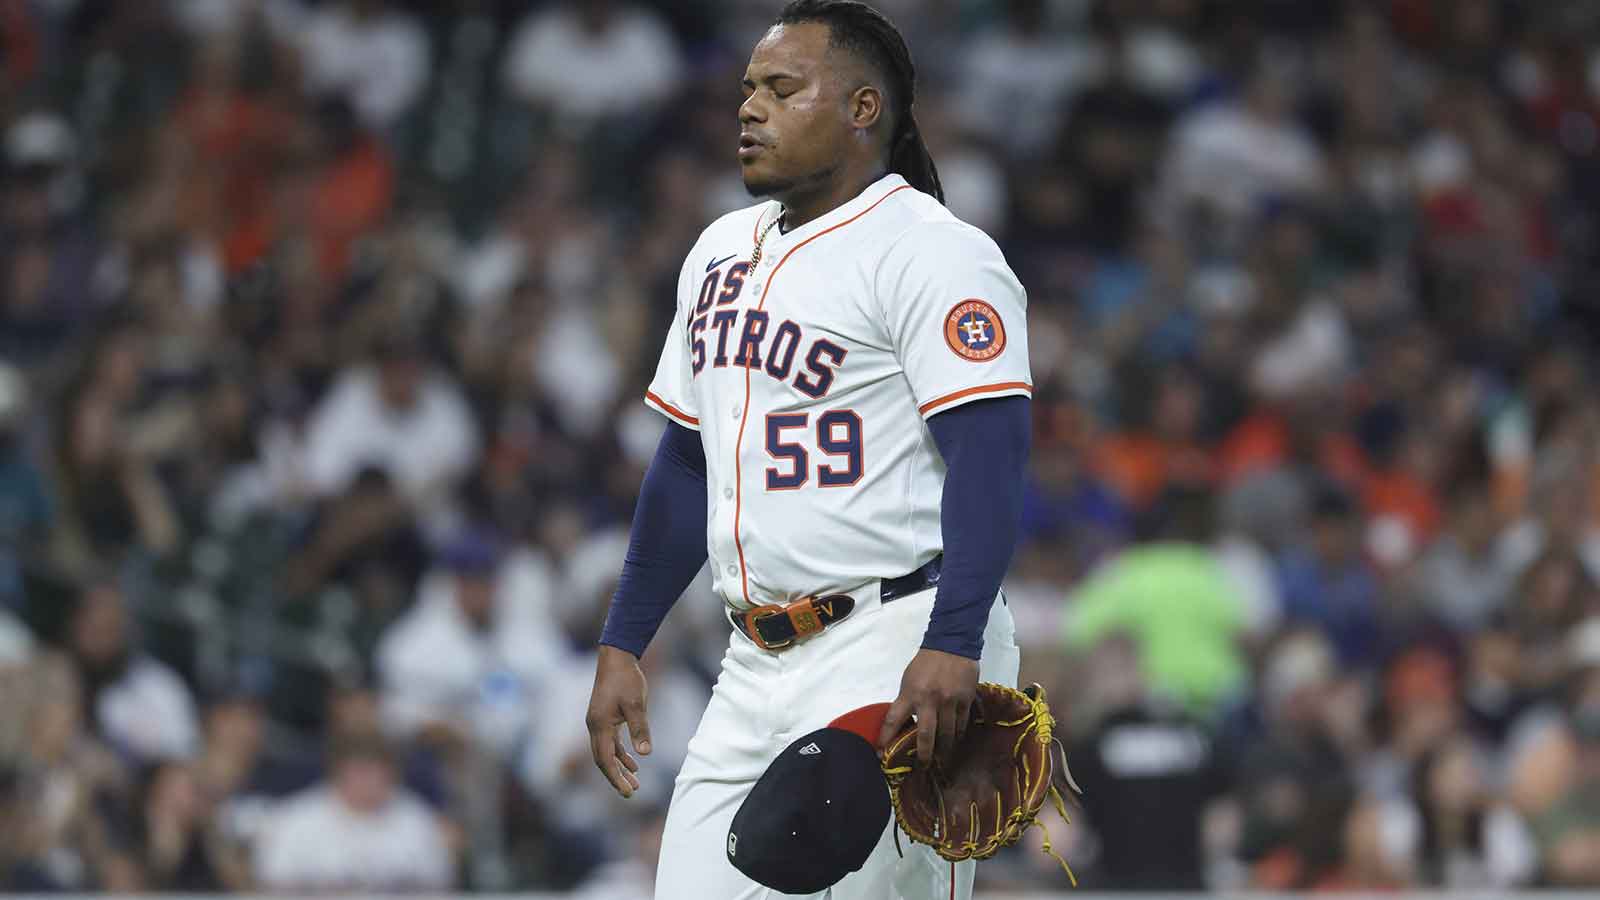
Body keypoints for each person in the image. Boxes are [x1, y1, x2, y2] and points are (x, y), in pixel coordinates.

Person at [584, 2, 1032, 896]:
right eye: (748, 89)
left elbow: (991, 458)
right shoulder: (717, 249)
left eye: (783, 89)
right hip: (752, 663)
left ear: (864, 108)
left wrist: (954, 643)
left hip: (894, 637)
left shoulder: (934, 252)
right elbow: (685, 461)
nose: (749, 109)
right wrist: (624, 638)